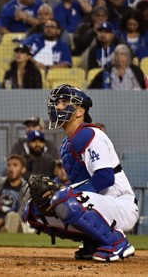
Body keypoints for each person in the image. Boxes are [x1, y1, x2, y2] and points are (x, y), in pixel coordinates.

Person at [23, 84, 138, 262]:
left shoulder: (92, 134)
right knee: (34, 209)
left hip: (121, 205)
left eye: (65, 102)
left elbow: (104, 178)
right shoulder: (66, 145)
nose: (59, 106)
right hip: (100, 204)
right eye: (57, 103)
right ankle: (94, 241)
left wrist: (65, 192)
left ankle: (116, 242)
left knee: (63, 199)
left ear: (80, 111)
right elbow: (84, 184)